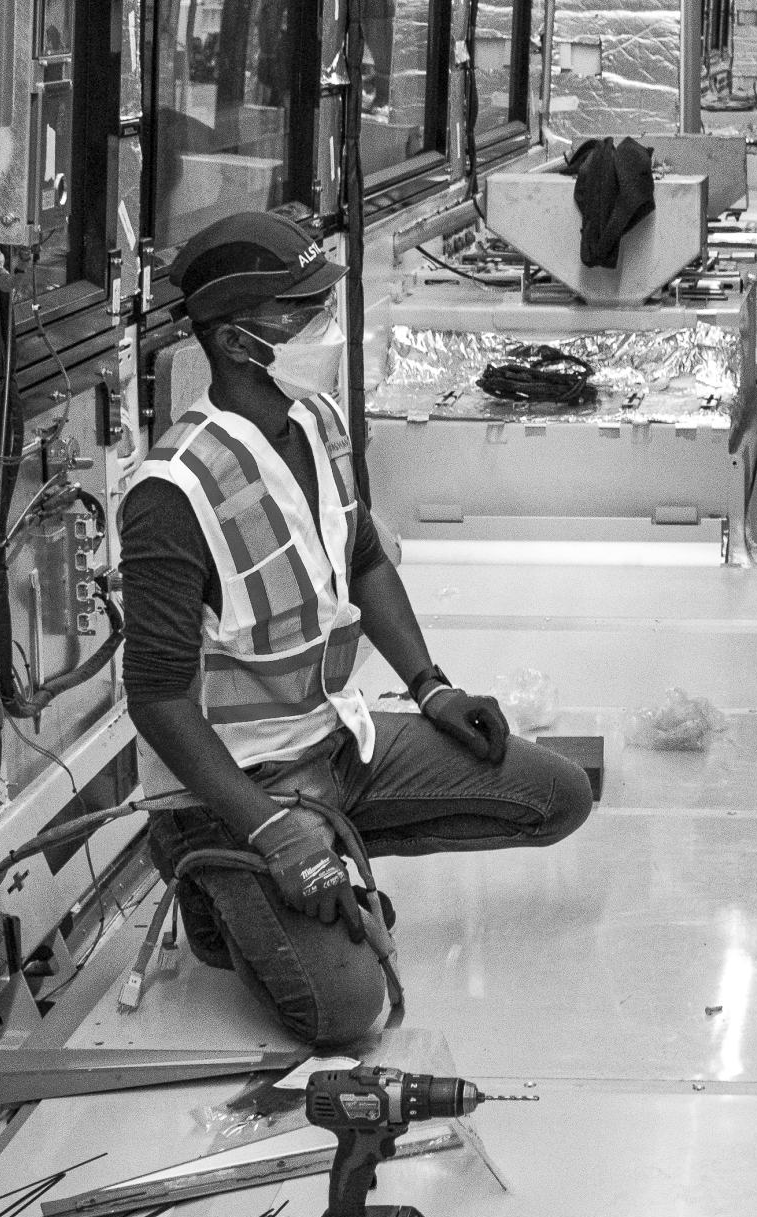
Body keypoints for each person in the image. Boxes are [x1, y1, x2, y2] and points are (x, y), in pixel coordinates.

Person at [120, 212, 594, 1049]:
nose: (326, 330)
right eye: (302, 315)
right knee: (346, 1014)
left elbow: (364, 555)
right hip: (240, 787)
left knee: (555, 798)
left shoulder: (317, 422)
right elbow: (157, 699)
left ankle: (326, 851)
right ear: (236, 342)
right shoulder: (173, 493)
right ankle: (220, 874)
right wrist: (270, 830)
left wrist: (431, 685)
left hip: (337, 745)